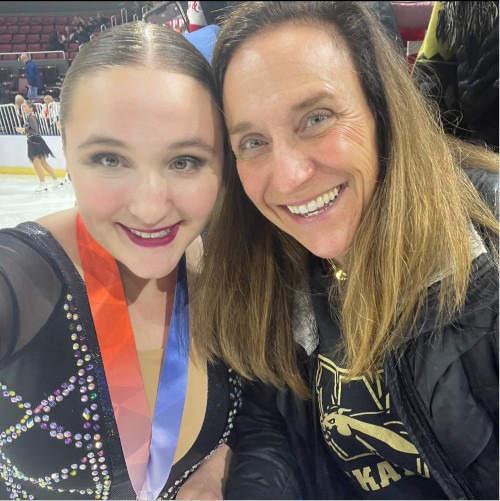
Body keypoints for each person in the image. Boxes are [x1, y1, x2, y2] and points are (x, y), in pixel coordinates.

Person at [194, 2, 499, 499]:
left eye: (316, 118)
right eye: (252, 142)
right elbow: (271, 420)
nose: (289, 176)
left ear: (381, 109)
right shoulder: (274, 262)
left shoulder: (487, 252)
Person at [0, 21, 239, 500]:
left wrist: (220, 465)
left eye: (185, 161)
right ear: (65, 149)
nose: (150, 208)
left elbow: (260, 417)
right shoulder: (19, 277)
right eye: (109, 159)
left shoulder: (229, 276)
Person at [15, 100, 63, 193]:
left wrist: (23, 129)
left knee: (36, 164)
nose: (23, 108)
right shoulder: (29, 117)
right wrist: (23, 130)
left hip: (35, 142)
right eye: (23, 106)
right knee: (43, 163)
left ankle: (43, 184)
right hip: (35, 141)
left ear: (30, 108)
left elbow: (35, 131)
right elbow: (31, 130)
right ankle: (56, 181)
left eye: (25, 106)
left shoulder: (32, 117)